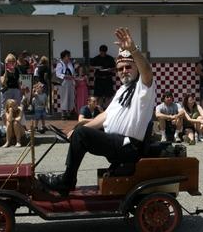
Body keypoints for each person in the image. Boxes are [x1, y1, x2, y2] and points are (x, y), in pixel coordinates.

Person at [38, 28, 156, 196]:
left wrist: (133, 50)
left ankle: (67, 181)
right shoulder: (123, 89)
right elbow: (105, 116)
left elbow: (147, 71)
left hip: (128, 146)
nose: (124, 71)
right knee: (80, 132)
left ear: (136, 67)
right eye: (120, 68)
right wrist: (79, 127)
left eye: (128, 67)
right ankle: (67, 179)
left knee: (81, 135)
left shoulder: (144, 87)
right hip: (117, 142)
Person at [90, 44, 116, 109]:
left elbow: (114, 68)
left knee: (108, 96)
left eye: (104, 52)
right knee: (99, 96)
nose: (102, 53)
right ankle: (99, 110)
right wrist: (97, 67)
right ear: (100, 51)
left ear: (106, 51)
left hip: (108, 78)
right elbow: (90, 67)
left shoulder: (110, 58)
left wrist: (110, 69)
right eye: (101, 52)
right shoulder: (96, 58)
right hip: (99, 79)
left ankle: (108, 109)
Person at [56, 50, 75, 120]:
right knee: (64, 97)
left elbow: (72, 72)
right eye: (68, 56)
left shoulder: (70, 64)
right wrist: (66, 76)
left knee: (70, 96)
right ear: (64, 57)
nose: (69, 57)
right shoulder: (60, 64)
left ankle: (69, 112)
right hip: (63, 82)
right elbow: (58, 74)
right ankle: (63, 113)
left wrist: (72, 77)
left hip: (70, 82)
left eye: (69, 56)